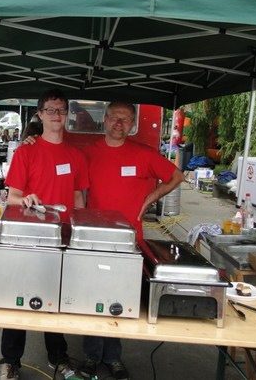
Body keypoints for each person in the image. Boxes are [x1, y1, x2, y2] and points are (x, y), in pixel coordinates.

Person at [79, 101, 184, 380]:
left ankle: (113, 358)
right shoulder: (88, 152)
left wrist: (149, 199)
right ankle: (90, 356)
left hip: (130, 241)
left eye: (126, 119)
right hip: (95, 237)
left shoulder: (144, 154)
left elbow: (176, 176)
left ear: (133, 124)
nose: (119, 123)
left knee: (120, 298)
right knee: (94, 298)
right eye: (114, 117)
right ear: (105, 119)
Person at [0, 88, 89, 380]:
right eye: (50, 110)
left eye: (61, 110)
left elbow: (79, 201)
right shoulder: (26, 152)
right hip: (28, 235)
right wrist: (24, 199)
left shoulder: (76, 155)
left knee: (56, 298)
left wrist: (79, 234)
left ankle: (58, 358)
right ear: (40, 114)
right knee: (19, 297)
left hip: (62, 236)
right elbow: (11, 197)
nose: (56, 115)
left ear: (67, 115)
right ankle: (11, 360)